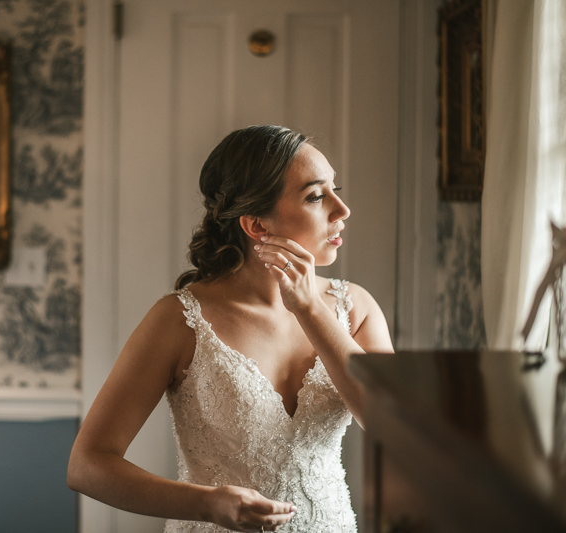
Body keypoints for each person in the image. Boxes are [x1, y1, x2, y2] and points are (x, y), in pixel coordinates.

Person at [68, 125, 394, 532]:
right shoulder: (180, 320)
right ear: (257, 226)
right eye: (315, 196)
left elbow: (395, 430)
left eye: (335, 189)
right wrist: (206, 504)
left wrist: (310, 309)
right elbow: (87, 465)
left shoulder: (356, 309)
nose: (341, 210)